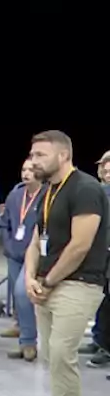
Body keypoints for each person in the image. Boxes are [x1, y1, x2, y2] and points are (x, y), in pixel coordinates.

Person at [16, 130, 108, 396]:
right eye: (32, 154)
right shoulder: (49, 191)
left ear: (63, 155)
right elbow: (36, 238)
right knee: (49, 357)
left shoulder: (86, 189)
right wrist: (30, 277)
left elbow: (80, 245)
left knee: (61, 354)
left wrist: (50, 280)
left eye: (40, 155)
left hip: (78, 283)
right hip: (48, 282)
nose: (32, 160)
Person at [0, 159, 42, 361]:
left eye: (31, 170)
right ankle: (25, 339)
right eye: (23, 169)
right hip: (13, 253)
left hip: (33, 254)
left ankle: (29, 342)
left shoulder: (47, 195)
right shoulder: (16, 194)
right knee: (17, 296)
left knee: (22, 292)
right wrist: (7, 245)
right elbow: (5, 222)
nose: (26, 173)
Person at [82, 151, 110, 368]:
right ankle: (99, 340)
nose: (107, 172)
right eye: (104, 168)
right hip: (102, 252)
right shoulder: (99, 191)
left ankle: (106, 348)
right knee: (102, 299)